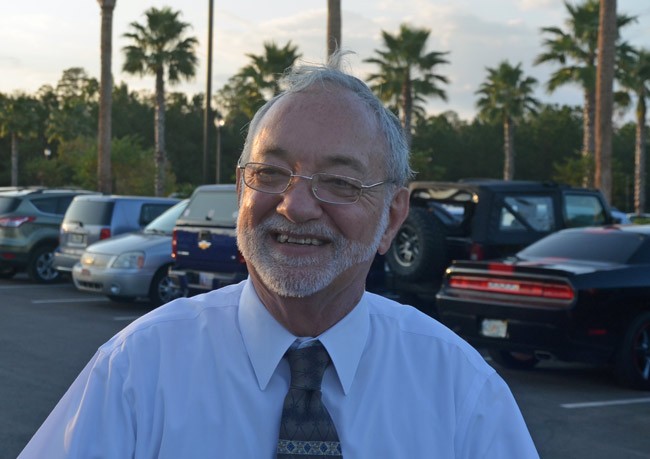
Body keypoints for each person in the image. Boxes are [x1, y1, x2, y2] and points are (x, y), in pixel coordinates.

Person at [19, 53, 539, 458]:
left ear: (394, 215)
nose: (295, 206)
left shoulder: (462, 393)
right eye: (270, 174)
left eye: (339, 181)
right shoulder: (136, 371)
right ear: (241, 190)